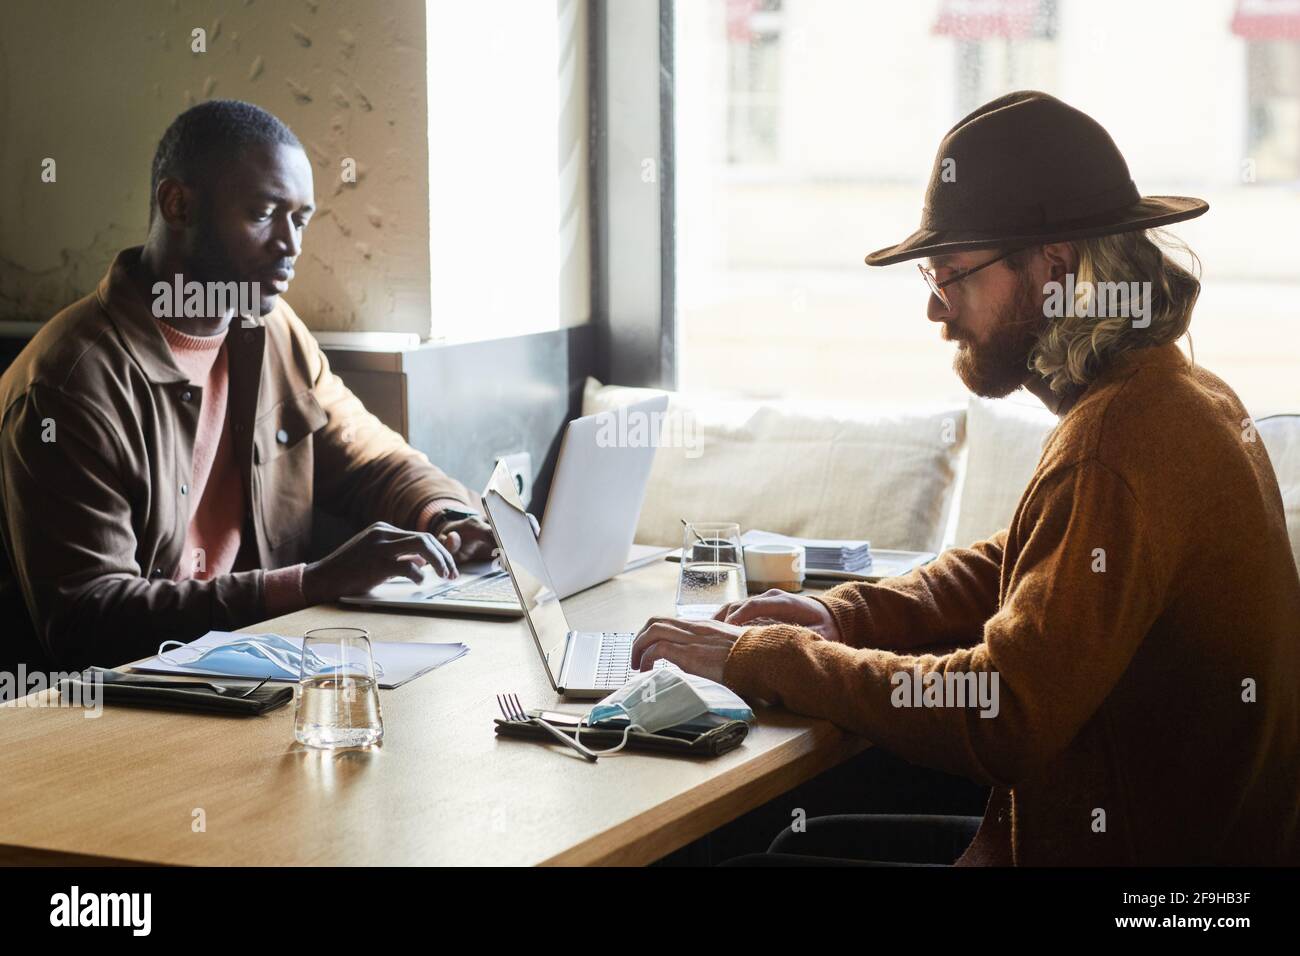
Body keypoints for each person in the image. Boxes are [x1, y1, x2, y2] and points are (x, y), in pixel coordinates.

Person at [632, 91, 1300, 865]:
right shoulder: (1177, 394)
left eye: (951, 274)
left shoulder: (1119, 442)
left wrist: (768, 657)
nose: (936, 312)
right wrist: (844, 618)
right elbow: (1022, 559)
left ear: (1055, 269)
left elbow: (1004, 710)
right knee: (782, 842)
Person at [0, 100, 494, 674]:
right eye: (263, 213)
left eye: (300, 219)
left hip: (255, 674)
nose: (291, 245)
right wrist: (311, 583)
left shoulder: (273, 330)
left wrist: (447, 517)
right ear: (177, 204)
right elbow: (88, 620)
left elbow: (372, 460)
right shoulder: (67, 383)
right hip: (113, 710)